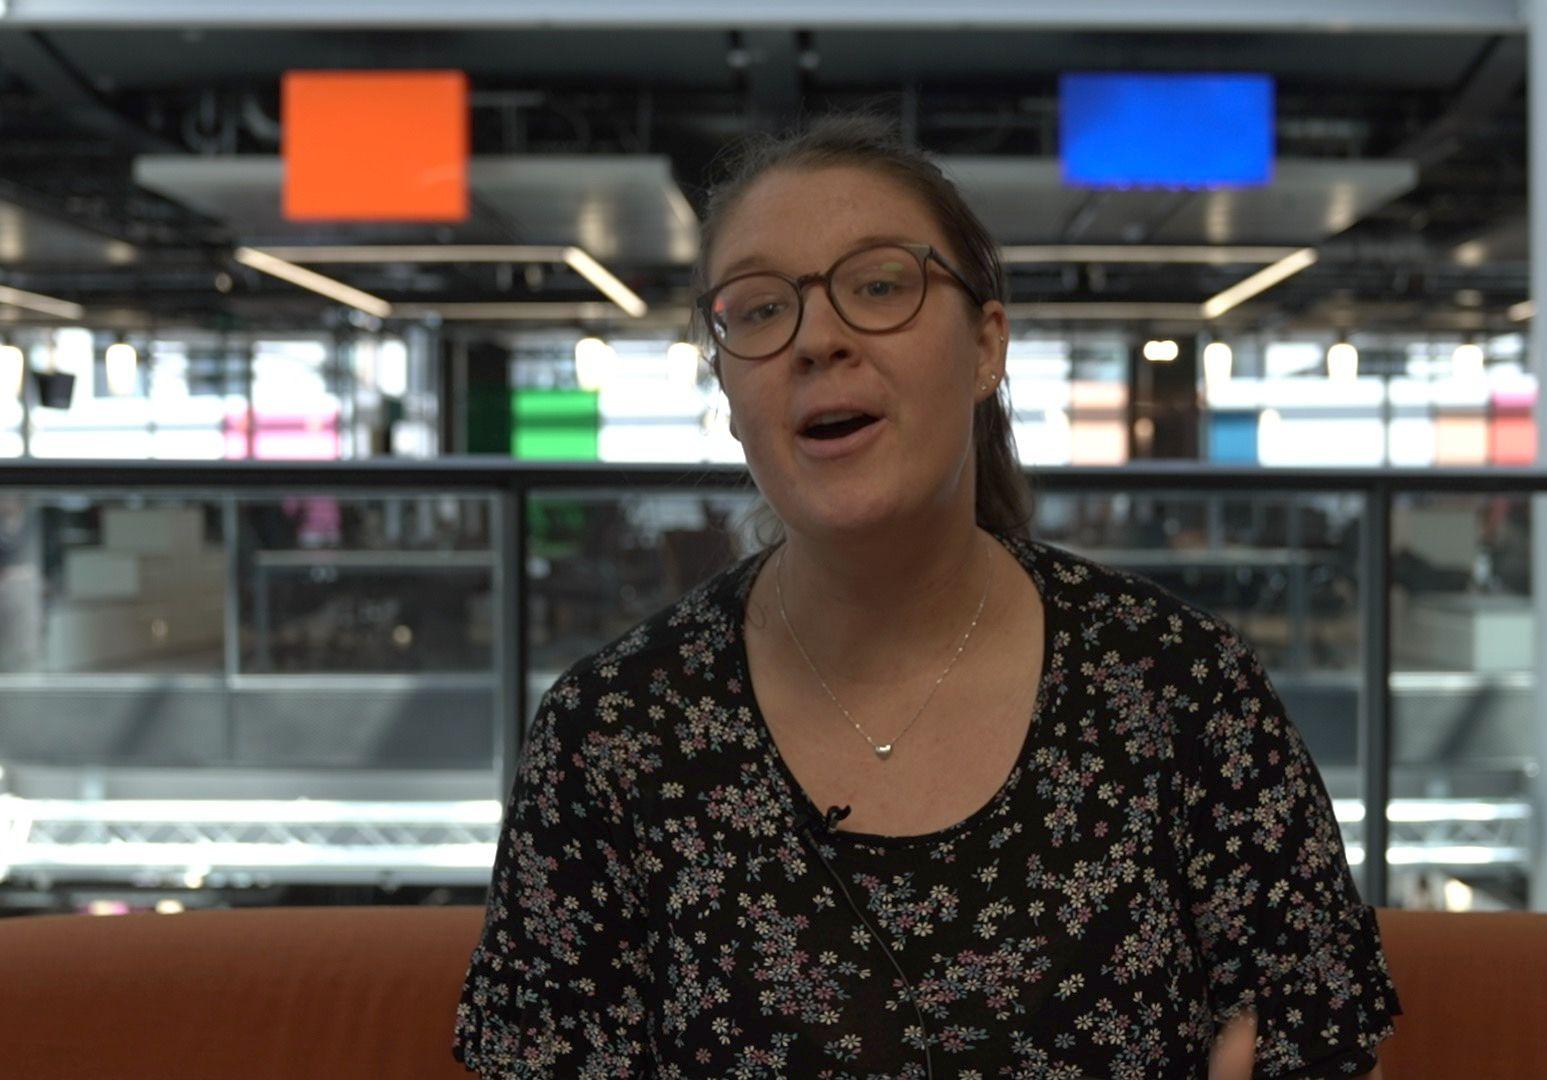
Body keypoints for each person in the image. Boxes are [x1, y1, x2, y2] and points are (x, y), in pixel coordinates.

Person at [452, 115, 1401, 1078]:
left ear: (987, 345)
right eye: (760, 309)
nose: (818, 338)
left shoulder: (1182, 692)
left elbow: (1313, 1037)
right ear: (730, 393)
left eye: (877, 286)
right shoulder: (612, 734)